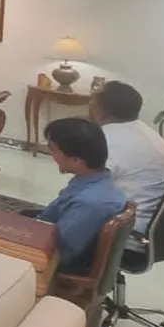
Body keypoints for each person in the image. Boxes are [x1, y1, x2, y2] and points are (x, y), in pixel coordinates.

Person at [35, 117, 129, 275]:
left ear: (76, 160)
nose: (52, 156)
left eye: (54, 150)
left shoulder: (90, 203)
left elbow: (60, 252)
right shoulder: (99, 185)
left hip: (54, 263)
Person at [89, 81, 164, 232]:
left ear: (100, 112)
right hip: (153, 226)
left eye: (91, 100)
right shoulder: (149, 133)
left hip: (122, 230)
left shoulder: (106, 140)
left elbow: (88, 191)